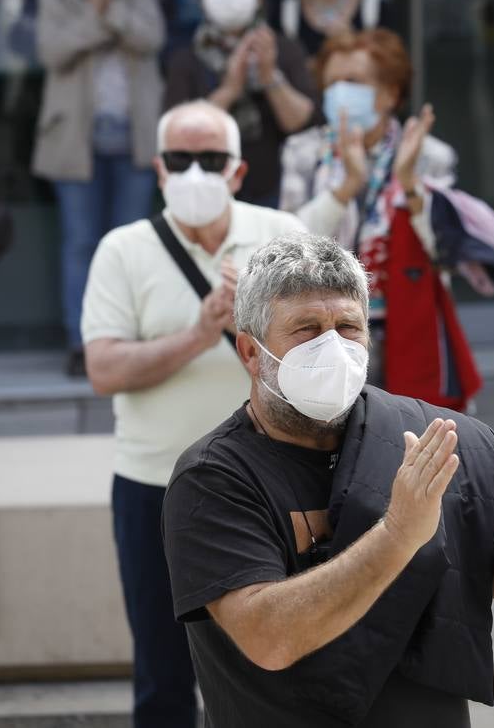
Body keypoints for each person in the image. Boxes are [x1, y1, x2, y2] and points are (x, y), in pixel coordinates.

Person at [160, 232, 494, 726]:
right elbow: (270, 638)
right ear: (251, 352)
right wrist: (398, 535)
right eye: (307, 329)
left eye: (348, 327)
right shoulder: (213, 478)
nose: (331, 346)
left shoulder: (436, 438)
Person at [81, 99, 306, 728]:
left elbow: (323, 368)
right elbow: (104, 369)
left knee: (272, 667)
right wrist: (199, 332)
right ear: (158, 169)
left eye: (211, 160)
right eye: (181, 160)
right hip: (154, 485)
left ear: (238, 171)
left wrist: (249, 329)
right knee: (163, 670)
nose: (195, 174)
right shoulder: (122, 250)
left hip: (270, 483)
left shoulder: (283, 236)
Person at [280, 28, 483, 407]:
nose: (340, 92)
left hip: (404, 327)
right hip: (321, 333)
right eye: (333, 83)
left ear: (390, 93)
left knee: (411, 439)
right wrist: (346, 188)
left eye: (353, 82)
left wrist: (409, 185)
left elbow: (448, 253)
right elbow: (287, 248)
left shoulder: (428, 156)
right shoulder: (303, 152)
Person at [33, 0, 166, 377]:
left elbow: (150, 38)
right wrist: (105, 17)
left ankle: (125, 337)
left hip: (133, 139)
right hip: (76, 140)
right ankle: (80, 339)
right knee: (81, 243)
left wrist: (110, 11)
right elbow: (54, 50)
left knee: (130, 243)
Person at [164, 0, 317, 210]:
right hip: (206, 193)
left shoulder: (285, 49)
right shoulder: (185, 58)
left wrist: (270, 76)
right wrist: (230, 90)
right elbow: (178, 132)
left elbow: (303, 124)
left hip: (276, 192)